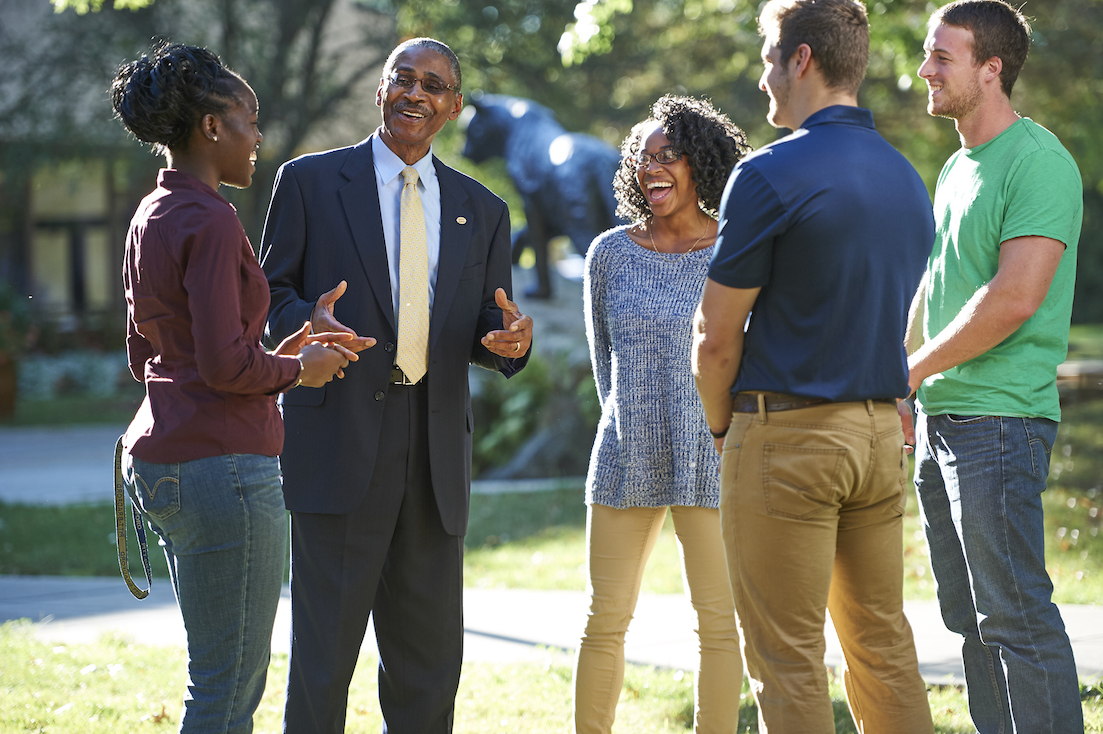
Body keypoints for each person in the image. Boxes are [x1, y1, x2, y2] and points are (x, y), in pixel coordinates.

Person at [260, 37, 533, 733]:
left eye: (433, 85)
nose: (416, 93)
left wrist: (508, 345)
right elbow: (268, 295)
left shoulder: (483, 209)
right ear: (380, 90)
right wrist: (306, 320)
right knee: (323, 661)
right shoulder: (311, 182)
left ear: (454, 107)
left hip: (436, 453)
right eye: (402, 79)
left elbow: (483, 324)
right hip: (338, 440)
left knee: (428, 664)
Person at [691, 0, 937, 731]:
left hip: (788, 438)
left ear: (800, 59)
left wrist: (718, 430)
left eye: (768, 57)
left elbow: (713, 336)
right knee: (882, 643)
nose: (762, 75)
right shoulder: (904, 178)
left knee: (786, 655)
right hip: (876, 438)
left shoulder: (767, 173)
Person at [111, 43, 354, 734]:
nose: (257, 136)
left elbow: (151, 356)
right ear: (212, 126)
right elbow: (220, 369)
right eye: (250, 118)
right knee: (225, 695)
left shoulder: (150, 215)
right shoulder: (212, 220)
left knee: (213, 679)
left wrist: (280, 351)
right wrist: (297, 371)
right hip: (223, 471)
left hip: (164, 463)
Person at [907, 2, 1085, 731]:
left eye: (940, 58)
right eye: (926, 53)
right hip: (942, 416)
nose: (923, 69)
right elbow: (936, 280)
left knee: (1012, 615)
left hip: (999, 422)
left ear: (991, 69)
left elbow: (1012, 298)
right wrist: (900, 375)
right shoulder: (955, 165)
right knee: (968, 619)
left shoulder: (1039, 162)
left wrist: (909, 370)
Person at [574, 95, 750, 734]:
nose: (653, 166)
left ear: (700, 162)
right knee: (605, 617)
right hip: (625, 456)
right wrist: (630, 427)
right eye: (642, 156)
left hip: (714, 456)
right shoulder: (609, 255)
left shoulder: (736, 250)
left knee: (718, 624)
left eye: (668, 153)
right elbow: (604, 363)